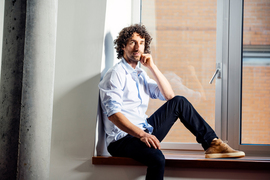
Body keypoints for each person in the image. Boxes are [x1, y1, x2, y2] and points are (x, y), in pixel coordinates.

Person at [98, 24, 245, 180]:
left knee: (179, 102)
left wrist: (152, 67)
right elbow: (113, 115)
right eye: (133, 42)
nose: (137, 47)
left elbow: (169, 95)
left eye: (141, 43)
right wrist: (142, 135)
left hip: (143, 132)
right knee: (158, 158)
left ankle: (212, 144)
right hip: (122, 140)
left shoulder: (140, 74)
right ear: (122, 46)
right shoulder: (115, 74)